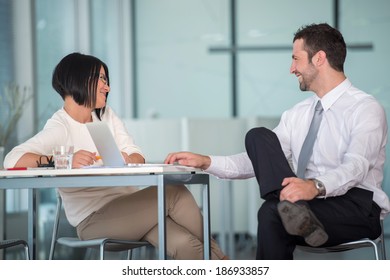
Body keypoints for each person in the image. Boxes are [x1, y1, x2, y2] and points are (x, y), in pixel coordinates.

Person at [165, 23, 390, 259]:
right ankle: (295, 212)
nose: (292, 69)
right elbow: (261, 162)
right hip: (311, 211)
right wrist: (206, 161)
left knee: (272, 213)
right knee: (258, 139)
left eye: (296, 59)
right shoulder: (298, 113)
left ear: (320, 58)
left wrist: (314, 186)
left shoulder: (364, 108)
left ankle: (295, 211)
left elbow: (356, 166)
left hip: (356, 209)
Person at [4, 52, 227, 260]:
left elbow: (137, 155)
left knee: (184, 243)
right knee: (174, 192)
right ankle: (226, 262)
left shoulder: (106, 116)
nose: (107, 87)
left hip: (133, 210)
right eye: (101, 79)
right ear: (80, 79)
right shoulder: (60, 127)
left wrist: (127, 158)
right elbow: (12, 160)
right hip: (95, 221)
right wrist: (61, 160)